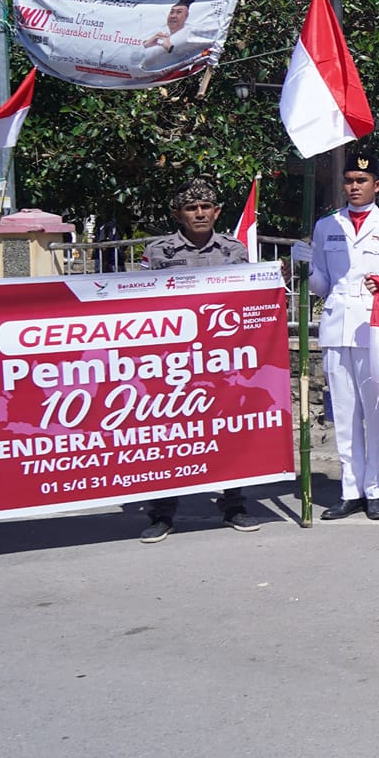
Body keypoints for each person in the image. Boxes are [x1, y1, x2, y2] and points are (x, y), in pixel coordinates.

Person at [134, 179, 260, 541]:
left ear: (217, 212)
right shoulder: (159, 252)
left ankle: (234, 504)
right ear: (178, 214)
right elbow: (137, 300)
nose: (200, 214)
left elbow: (248, 297)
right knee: (169, 436)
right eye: (192, 208)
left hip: (222, 361)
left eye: (206, 207)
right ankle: (162, 512)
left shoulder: (233, 250)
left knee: (230, 431)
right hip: (173, 363)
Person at [308, 150, 379, 522]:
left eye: (361, 181)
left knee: (375, 413)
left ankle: (376, 490)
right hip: (337, 324)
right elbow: (321, 283)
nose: (354, 186)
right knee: (345, 411)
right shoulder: (327, 226)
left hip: (375, 327)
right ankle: (349, 489)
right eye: (349, 181)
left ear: (377, 185)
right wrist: (305, 267)